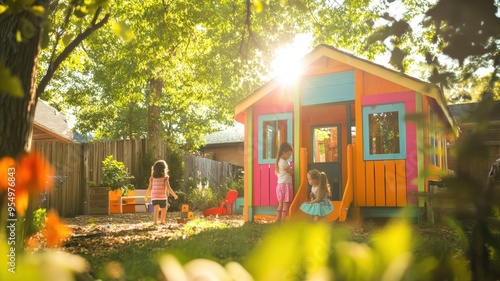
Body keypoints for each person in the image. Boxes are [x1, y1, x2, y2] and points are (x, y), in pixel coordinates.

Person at [144, 160, 178, 225]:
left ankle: (155, 222)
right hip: (162, 197)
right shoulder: (165, 178)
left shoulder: (152, 178)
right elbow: (168, 188)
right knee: (164, 209)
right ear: (164, 169)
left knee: (156, 209)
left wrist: (146, 196)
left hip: (154, 197)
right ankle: (162, 221)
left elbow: (150, 188)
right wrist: (174, 195)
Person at [275, 142, 294, 222]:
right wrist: (292, 169)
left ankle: (278, 219)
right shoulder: (283, 162)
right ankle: (283, 220)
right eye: (288, 154)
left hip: (280, 185)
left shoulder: (279, 161)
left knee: (280, 203)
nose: (289, 156)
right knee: (285, 203)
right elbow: (291, 172)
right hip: (285, 185)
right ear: (283, 153)